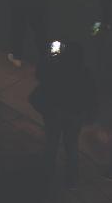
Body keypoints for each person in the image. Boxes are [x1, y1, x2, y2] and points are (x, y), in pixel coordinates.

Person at [30, 39, 95, 188]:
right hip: (75, 115)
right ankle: (72, 177)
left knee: (51, 142)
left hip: (54, 112)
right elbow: (91, 95)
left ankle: (47, 174)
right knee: (71, 144)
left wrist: (50, 57)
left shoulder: (55, 67)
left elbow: (40, 75)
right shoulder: (85, 73)